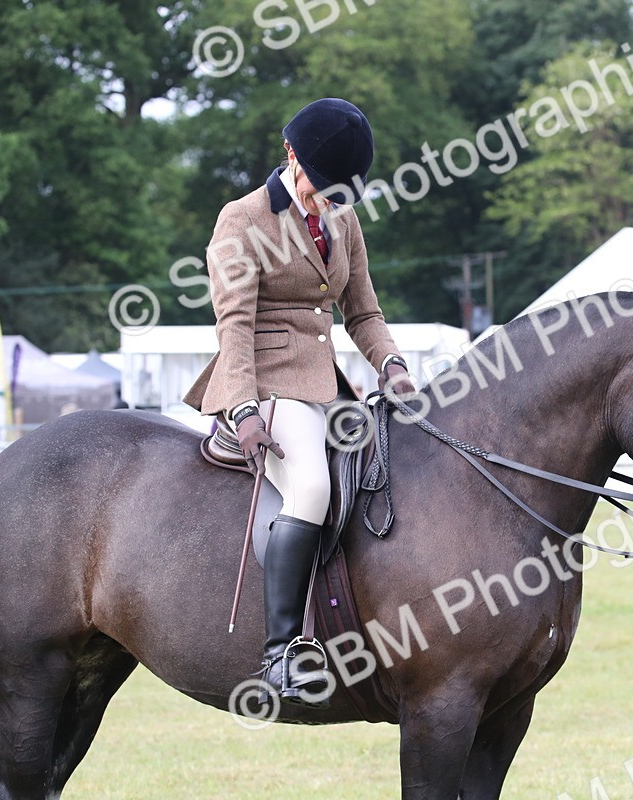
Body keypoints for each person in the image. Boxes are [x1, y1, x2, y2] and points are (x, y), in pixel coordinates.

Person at [184, 98, 414, 708]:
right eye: (321, 186)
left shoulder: (343, 219)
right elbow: (233, 324)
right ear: (291, 154)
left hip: (327, 385)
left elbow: (362, 312)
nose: (327, 202)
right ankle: (280, 653)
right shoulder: (243, 219)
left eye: (339, 193)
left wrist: (392, 365)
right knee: (311, 486)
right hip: (265, 381)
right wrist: (242, 409)